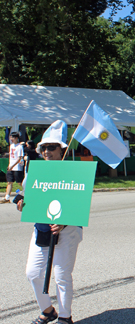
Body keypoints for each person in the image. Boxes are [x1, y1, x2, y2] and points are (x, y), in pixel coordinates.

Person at [18, 120, 82, 324]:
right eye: (44, 147)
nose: (47, 152)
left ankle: (65, 316)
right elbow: (25, 193)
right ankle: (48, 310)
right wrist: (20, 200)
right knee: (33, 274)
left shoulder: (73, 172)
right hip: (42, 229)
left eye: (52, 147)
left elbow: (80, 202)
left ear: (62, 150)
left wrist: (64, 222)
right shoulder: (34, 170)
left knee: (62, 275)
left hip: (67, 231)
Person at [1, 131, 24, 203]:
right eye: (10, 137)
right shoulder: (11, 146)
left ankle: (28, 191)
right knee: (9, 182)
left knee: (19, 182)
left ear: (16, 138)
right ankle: (7, 197)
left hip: (17, 168)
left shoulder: (19, 146)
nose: (11, 139)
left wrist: (13, 165)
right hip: (11, 167)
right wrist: (9, 165)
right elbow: (11, 157)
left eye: (13, 138)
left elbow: (19, 158)